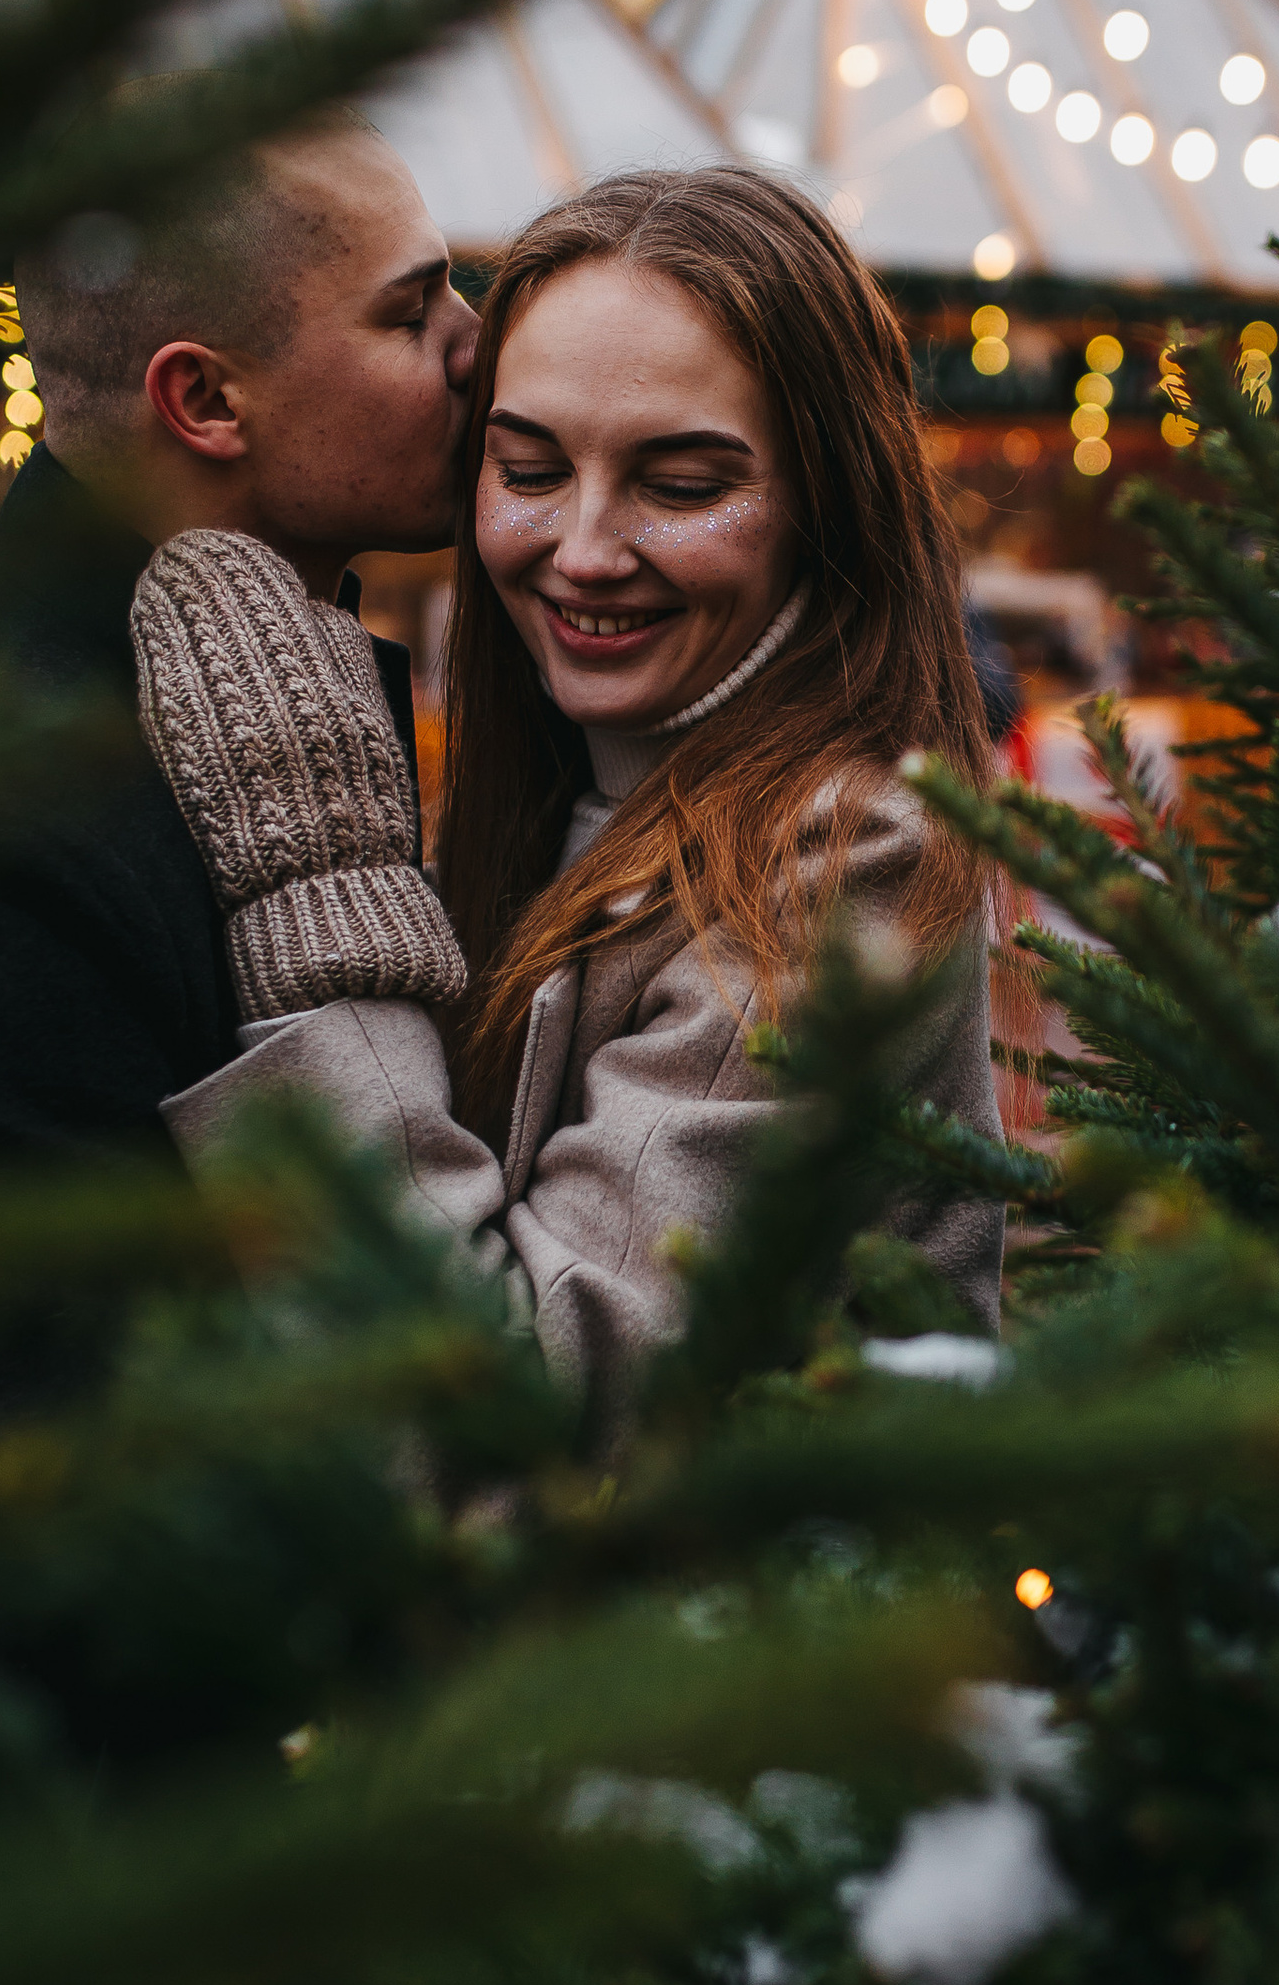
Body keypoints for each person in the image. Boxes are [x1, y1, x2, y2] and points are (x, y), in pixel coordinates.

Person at [0, 112, 478, 1985]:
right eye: (413, 313)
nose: (478, 346)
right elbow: (64, 1531)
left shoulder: (217, 704)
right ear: (205, 399)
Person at [131, 167, 1004, 1444]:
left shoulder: (846, 857)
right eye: (530, 470)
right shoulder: (557, 792)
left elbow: (512, 1431)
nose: (584, 552)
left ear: (830, 505)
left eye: (683, 484)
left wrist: (319, 891)